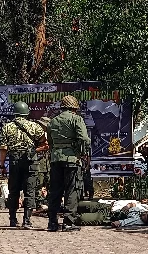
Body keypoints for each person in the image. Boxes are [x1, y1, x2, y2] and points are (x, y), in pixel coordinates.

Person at [0, 101, 47, 228]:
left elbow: (3, 148)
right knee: (30, 191)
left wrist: (2, 165)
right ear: (27, 113)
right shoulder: (35, 126)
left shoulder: (7, 127)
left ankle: (13, 220)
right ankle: (27, 220)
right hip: (31, 162)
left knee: (13, 191)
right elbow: (45, 144)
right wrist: (34, 150)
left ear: (15, 112)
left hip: (14, 161)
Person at [46, 95, 91, 232]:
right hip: (72, 159)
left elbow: (50, 142)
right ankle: (68, 222)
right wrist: (81, 152)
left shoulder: (52, 121)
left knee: (55, 191)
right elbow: (84, 139)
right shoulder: (76, 119)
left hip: (55, 159)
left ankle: (52, 222)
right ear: (74, 108)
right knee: (72, 190)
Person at [75, 200, 148, 227]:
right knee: (81, 205)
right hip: (109, 206)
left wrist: (118, 223)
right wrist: (128, 206)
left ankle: (69, 218)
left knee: (82, 218)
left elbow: (125, 222)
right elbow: (134, 204)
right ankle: (65, 208)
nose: (143, 216)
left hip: (108, 216)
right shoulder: (142, 209)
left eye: (145, 218)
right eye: (145, 214)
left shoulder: (137, 221)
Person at [35, 116, 52, 208]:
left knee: (50, 183)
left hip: (49, 162)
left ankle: (50, 202)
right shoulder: (36, 135)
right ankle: (39, 203)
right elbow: (32, 149)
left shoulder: (51, 135)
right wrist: (43, 148)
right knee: (38, 183)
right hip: (39, 162)